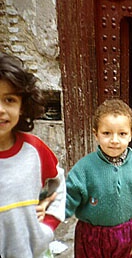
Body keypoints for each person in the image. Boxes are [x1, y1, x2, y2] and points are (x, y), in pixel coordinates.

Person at [66, 99, 132, 258]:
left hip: (125, 236)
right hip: (90, 236)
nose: (114, 140)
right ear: (96, 134)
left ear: (131, 134)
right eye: (106, 133)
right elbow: (68, 197)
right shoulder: (85, 167)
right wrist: (50, 216)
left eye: (122, 133)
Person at [0, 52, 66, 258]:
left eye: (9, 99)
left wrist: (48, 223)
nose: (0, 110)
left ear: (21, 107)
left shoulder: (34, 150)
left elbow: (59, 184)